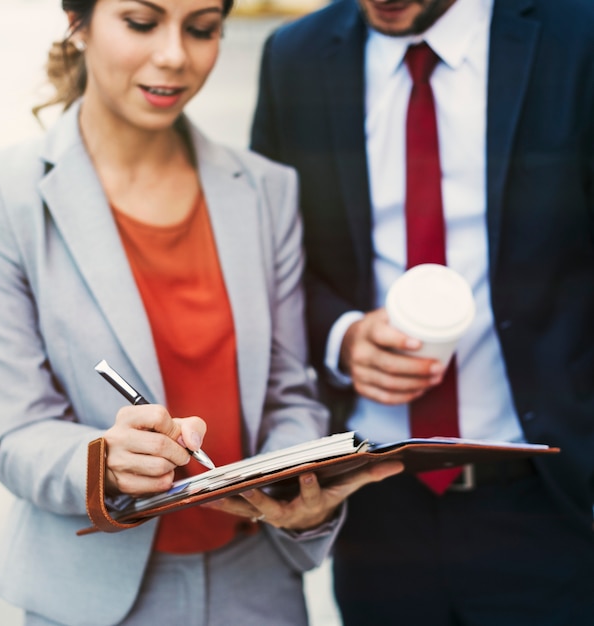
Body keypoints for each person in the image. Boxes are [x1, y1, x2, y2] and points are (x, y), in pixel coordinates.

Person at [0, 1, 403, 624]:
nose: (175, 54)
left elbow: (289, 392)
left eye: (201, 29)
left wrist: (298, 481)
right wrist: (104, 463)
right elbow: (17, 434)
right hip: (93, 594)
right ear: (78, 20)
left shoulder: (264, 189)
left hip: (258, 585)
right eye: (142, 23)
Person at [250, 0, 594, 624]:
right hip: (375, 508)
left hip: (553, 500)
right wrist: (342, 337)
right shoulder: (294, 58)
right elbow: (275, 258)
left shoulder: (579, 35)